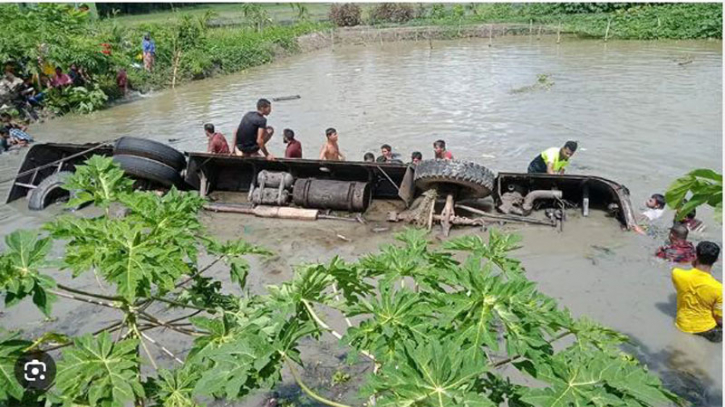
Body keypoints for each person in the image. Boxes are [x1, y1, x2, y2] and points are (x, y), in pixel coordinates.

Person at [672, 241, 722, 342]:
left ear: (695, 256)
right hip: (706, 330)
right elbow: (720, 319)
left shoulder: (677, 274)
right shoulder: (719, 288)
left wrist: (694, 263)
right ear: (716, 260)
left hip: (682, 325)